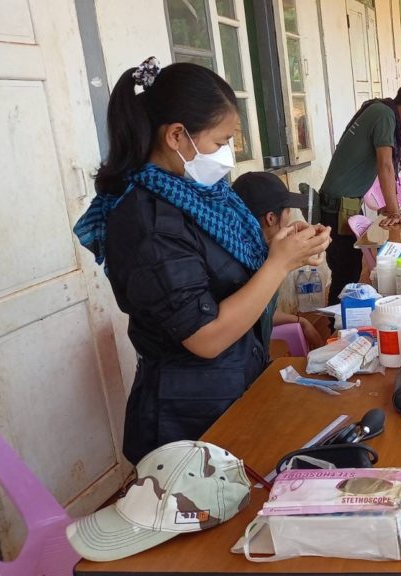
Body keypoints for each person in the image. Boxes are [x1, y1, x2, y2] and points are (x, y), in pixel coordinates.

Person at [72, 58, 331, 464]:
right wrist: (278, 265)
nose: (226, 154)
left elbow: (235, 274)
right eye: (220, 141)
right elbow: (206, 337)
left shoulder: (208, 197)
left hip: (235, 393)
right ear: (177, 136)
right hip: (186, 425)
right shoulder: (147, 221)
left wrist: (288, 249)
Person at [319, 79, 401, 305]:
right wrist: (395, 213)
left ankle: (338, 320)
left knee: (349, 269)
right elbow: (385, 165)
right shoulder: (384, 115)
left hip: (343, 202)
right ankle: (335, 326)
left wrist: (390, 207)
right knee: (346, 272)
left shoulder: (380, 110)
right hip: (336, 205)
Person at [233, 172, 325, 352]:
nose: (291, 221)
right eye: (288, 212)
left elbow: (258, 310)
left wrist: (300, 321)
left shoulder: (250, 252)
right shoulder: (242, 268)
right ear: (271, 218)